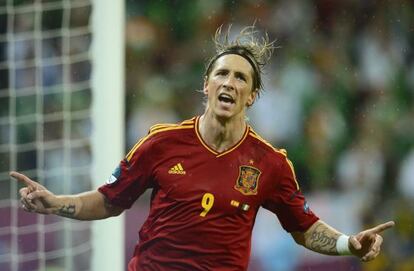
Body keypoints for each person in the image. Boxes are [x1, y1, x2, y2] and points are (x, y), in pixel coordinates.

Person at [11, 25, 394, 271]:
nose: (229, 82)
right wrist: (57, 203)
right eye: (222, 74)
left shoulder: (271, 164)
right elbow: (111, 201)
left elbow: (305, 229)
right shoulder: (161, 142)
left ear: (252, 95)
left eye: (240, 77)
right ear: (207, 86)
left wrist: (348, 244)